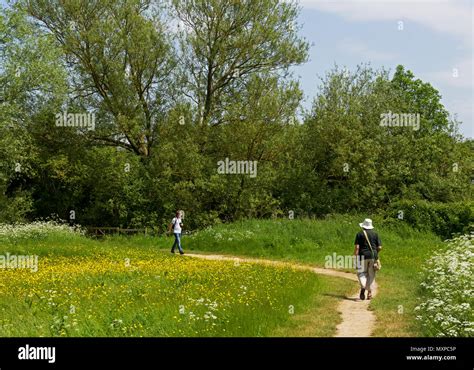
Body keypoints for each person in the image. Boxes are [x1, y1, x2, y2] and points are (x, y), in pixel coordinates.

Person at [353, 218, 382, 300]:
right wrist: (375, 253)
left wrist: (355, 257)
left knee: (361, 273)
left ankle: (363, 287)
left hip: (362, 256)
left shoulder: (359, 234)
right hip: (373, 257)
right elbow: (379, 247)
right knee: (371, 275)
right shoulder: (375, 234)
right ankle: (369, 293)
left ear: (363, 226)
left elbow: (357, 248)